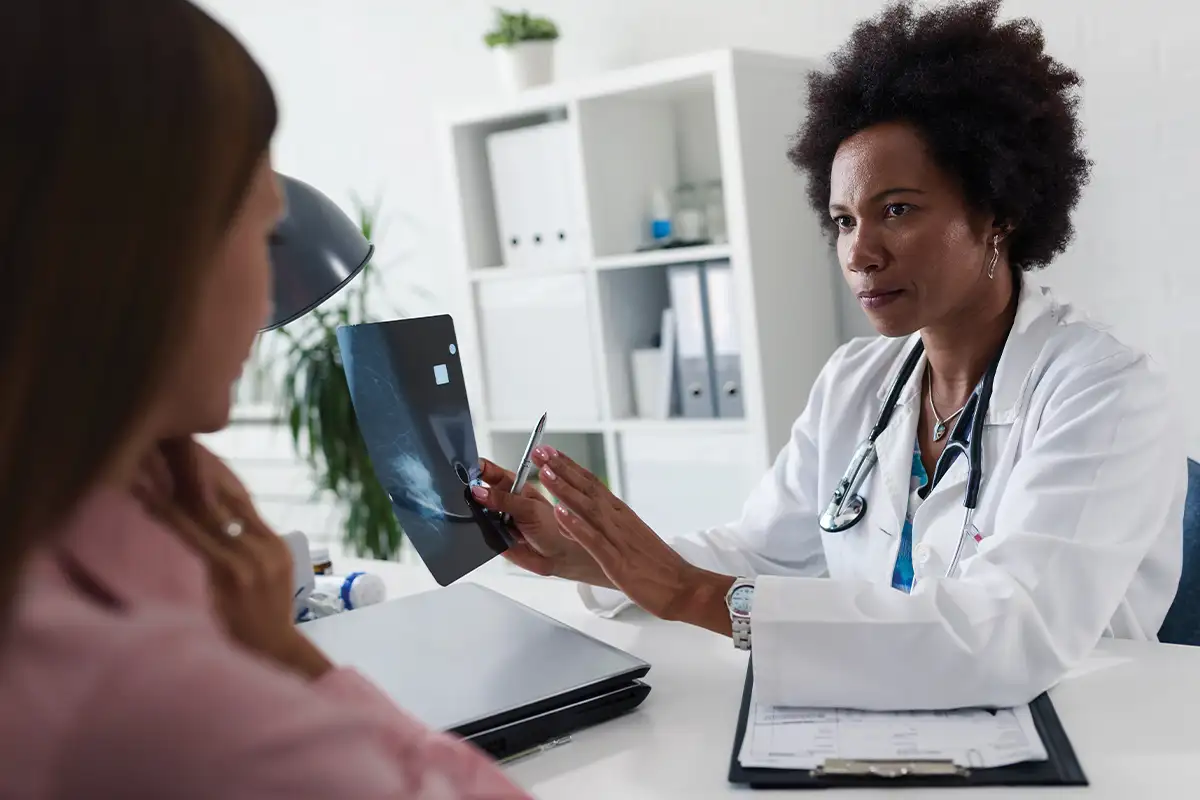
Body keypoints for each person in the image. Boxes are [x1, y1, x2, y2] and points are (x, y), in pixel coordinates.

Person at [473, 0, 1186, 712]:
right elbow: (761, 552)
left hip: (1081, 739)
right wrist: (589, 550)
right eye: (844, 220)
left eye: (897, 210)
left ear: (997, 210)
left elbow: (1005, 635)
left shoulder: (1104, 391)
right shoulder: (858, 381)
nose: (860, 253)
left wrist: (691, 594)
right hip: (893, 723)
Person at [0, 2, 529, 797]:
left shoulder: (100, 523)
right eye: (265, 227)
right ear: (152, 256)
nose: (271, 300)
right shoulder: (146, 700)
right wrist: (288, 658)